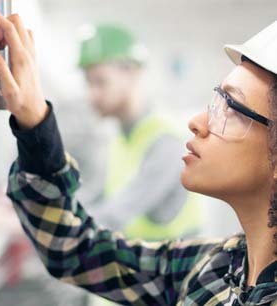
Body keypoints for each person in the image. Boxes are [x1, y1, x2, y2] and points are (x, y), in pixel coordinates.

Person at [0, 1, 277, 305]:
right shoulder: (215, 268)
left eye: (231, 108)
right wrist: (35, 124)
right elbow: (76, 249)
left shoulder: (160, 141)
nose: (196, 122)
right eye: (217, 100)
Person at [76, 23, 200, 240]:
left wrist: (50, 225)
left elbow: (115, 213)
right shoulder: (120, 137)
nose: (91, 95)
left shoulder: (164, 139)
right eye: (88, 83)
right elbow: (100, 198)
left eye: (99, 82)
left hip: (179, 266)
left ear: (131, 73)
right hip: (146, 263)